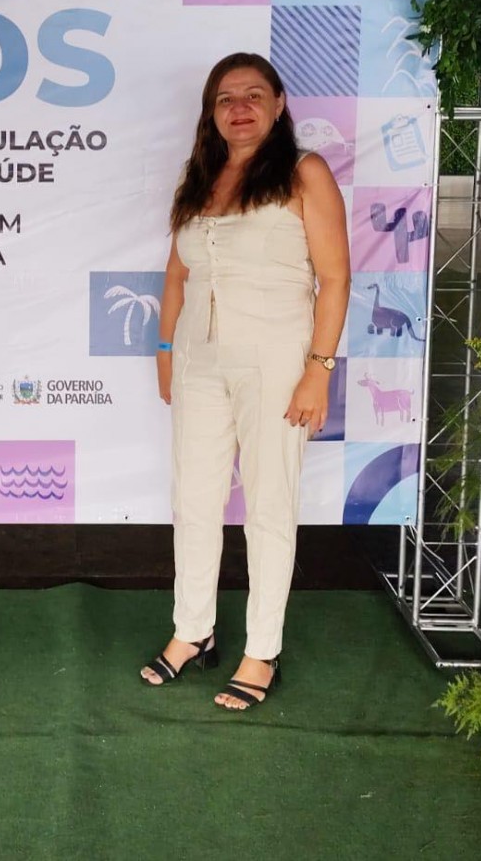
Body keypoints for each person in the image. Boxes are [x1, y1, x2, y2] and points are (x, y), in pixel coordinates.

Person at [139, 52, 350, 711]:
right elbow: (177, 273)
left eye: (253, 95)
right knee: (194, 500)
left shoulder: (304, 172)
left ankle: (262, 650)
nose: (239, 108)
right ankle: (192, 631)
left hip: (276, 360)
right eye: (226, 98)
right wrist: (166, 349)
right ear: (211, 111)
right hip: (198, 360)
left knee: (268, 505)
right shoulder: (200, 176)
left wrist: (318, 371)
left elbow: (336, 278)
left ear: (279, 104)